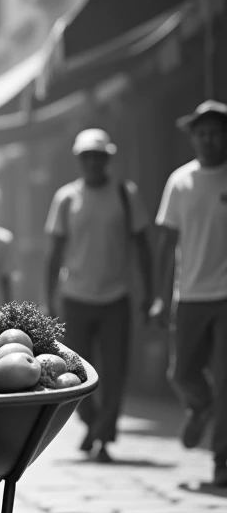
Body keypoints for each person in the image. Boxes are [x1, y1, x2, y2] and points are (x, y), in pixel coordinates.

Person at [45, 128, 153, 463]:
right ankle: (91, 422)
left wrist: (150, 293)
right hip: (75, 296)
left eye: (99, 157)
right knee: (77, 370)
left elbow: (143, 246)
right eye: (87, 157)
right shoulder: (66, 197)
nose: (93, 163)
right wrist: (48, 296)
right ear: (79, 161)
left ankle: (104, 435)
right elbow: (55, 251)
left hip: (116, 297)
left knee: (115, 369)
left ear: (107, 160)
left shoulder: (124, 194)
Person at [153, 100, 227, 486]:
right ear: (193, 138)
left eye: (215, 132)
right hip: (190, 293)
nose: (209, 139)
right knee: (181, 373)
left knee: (225, 376)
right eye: (202, 133)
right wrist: (161, 296)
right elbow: (166, 245)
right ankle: (199, 406)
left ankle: (222, 460)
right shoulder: (180, 182)